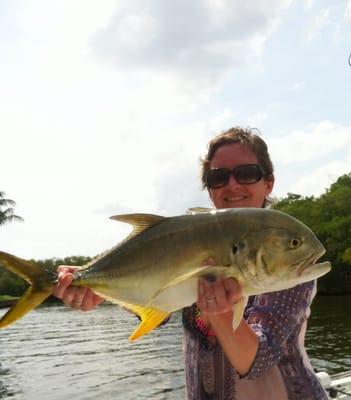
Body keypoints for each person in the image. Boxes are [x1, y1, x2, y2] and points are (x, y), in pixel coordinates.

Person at [53, 127, 327, 400]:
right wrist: (94, 283)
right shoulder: (189, 237)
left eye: (246, 173)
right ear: (209, 188)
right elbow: (161, 304)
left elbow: (258, 360)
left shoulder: (292, 272)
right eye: (218, 177)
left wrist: (219, 312)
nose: (232, 185)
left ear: (268, 183)